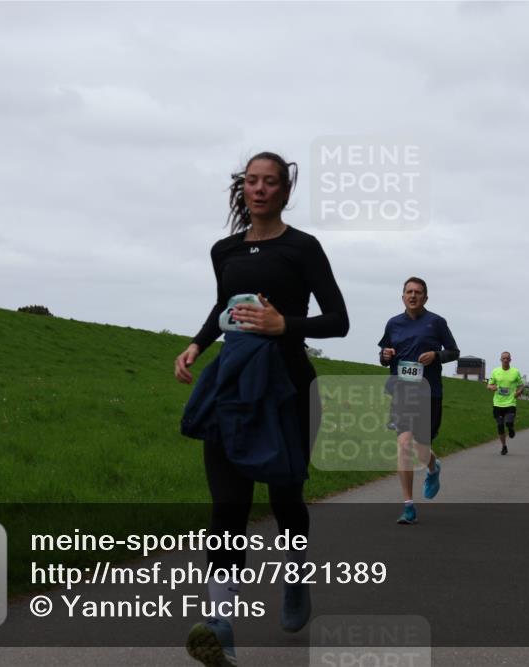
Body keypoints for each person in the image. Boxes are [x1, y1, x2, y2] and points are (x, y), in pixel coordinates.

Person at [175, 152, 349, 666]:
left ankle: (296, 576)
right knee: (228, 506)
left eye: (271, 182)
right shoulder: (223, 250)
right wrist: (197, 344)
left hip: (288, 387)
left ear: (284, 192)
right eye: (252, 181)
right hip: (232, 384)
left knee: (285, 498)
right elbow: (222, 305)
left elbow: (338, 319)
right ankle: (219, 624)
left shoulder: (303, 248)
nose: (260, 189)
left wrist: (284, 325)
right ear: (242, 188)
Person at [379, 277, 459, 525]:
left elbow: (454, 351)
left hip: (429, 393)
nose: (413, 296)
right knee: (404, 445)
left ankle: (433, 468)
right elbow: (383, 356)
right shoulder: (394, 324)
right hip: (402, 393)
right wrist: (385, 354)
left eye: (418, 292)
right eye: (409, 291)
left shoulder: (436, 322)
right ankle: (408, 506)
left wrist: (436, 355)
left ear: (425, 297)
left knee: (422, 450)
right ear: (402, 296)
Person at [487, 351, 523, 454]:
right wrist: (492, 387)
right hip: (497, 404)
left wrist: (519, 392)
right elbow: (489, 385)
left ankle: (511, 428)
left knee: (508, 422)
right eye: (504, 358)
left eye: (507, 358)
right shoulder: (495, 371)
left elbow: (521, 385)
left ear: (510, 360)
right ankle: (504, 446)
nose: (506, 360)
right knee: (500, 426)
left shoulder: (515, 372)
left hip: (510, 403)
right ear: (501, 360)